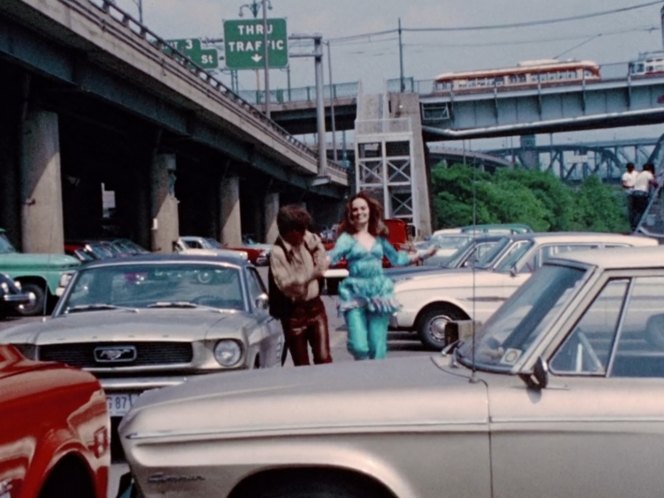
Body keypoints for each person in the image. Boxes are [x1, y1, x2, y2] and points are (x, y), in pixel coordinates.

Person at [327, 191, 435, 360]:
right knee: (359, 346)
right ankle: (363, 367)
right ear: (350, 214)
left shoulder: (379, 239)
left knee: (378, 347)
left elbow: (397, 259)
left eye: (363, 208)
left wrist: (423, 254)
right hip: (354, 294)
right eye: (355, 210)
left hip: (379, 293)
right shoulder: (346, 239)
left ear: (370, 210)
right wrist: (319, 261)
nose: (359, 212)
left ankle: (376, 379)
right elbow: (332, 256)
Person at [269, 204, 332, 366]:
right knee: (301, 364)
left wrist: (319, 259)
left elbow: (321, 252)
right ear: (290, 232)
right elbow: (287, 285)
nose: (304, 234)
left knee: (324, 358)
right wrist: (312, 274)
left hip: (315, 307)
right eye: (301, 231)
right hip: (293, 314)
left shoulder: (307, 238)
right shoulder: (277, 252)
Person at [631, 162, 658, 231]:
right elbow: (654, 183)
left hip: (634, 194)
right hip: (642, 194)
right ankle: (639, 227)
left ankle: (634, 226)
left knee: (636, 211)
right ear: (650, 169)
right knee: (642, 211)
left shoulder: (639, 174)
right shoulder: (648, 174)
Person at [622, 162, 638, 231]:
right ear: (627, 168)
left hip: (636, 192)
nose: (631, 169)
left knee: (636, 209)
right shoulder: (625, 175)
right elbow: (624, 184)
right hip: (629, 193)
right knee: (631, 209)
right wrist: (631, 186)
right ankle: (632, 225)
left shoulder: (636, 173)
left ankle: (636, 223)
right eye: (630, 168)